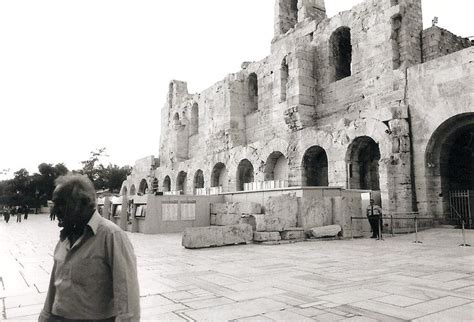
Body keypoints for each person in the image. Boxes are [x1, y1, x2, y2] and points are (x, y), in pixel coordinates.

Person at [39, 174, 140, 322]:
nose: (55, 211)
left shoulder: (111, 236)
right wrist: (45, 317)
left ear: (82, 203)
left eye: (61, 203)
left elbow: (127, 296)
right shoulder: (66, 237)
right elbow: (54, 286)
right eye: (54, 204)